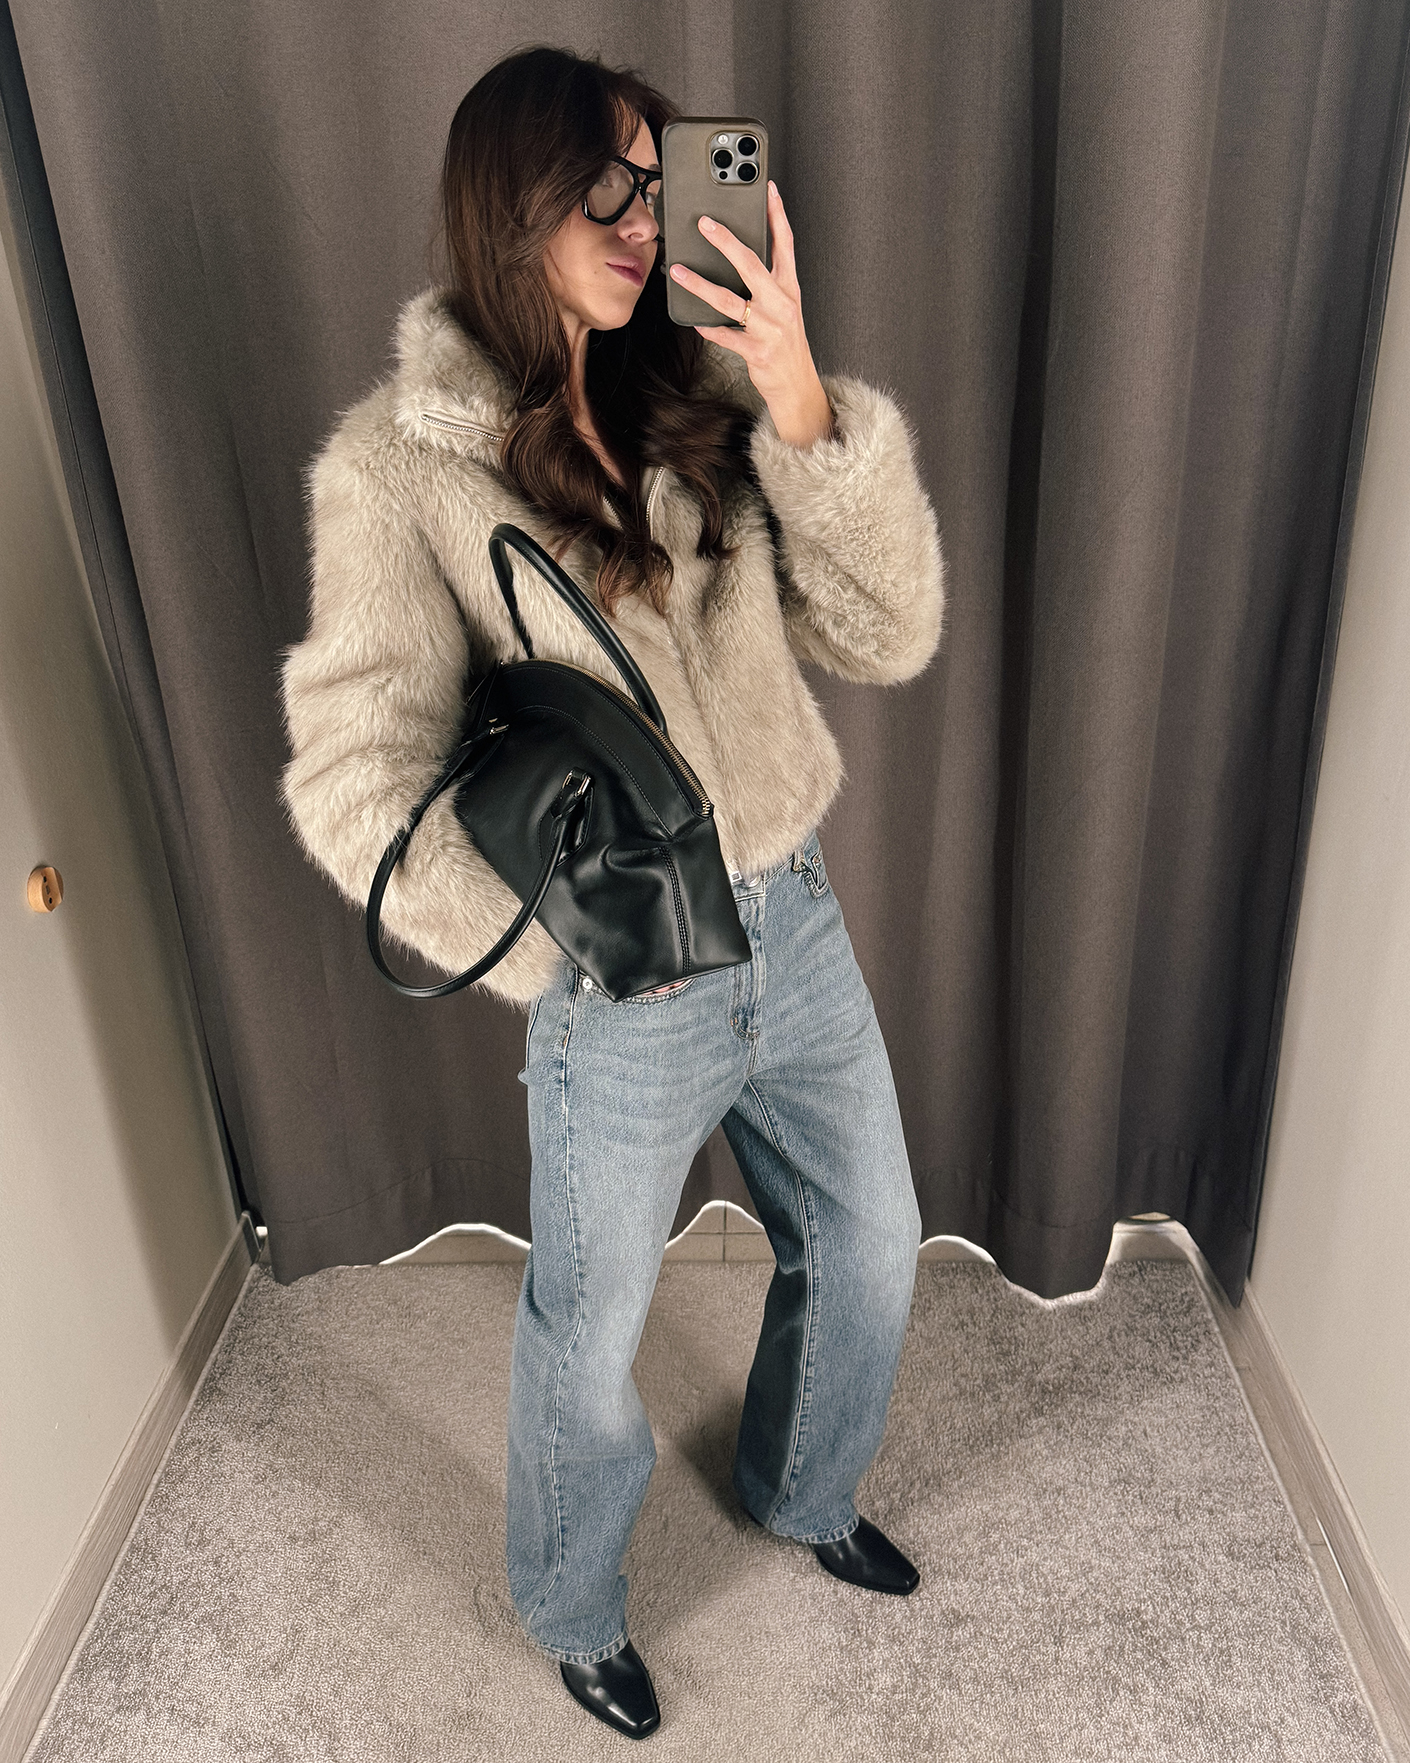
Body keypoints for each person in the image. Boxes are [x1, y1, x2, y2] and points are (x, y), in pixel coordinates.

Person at [280, 45, 945, 1742]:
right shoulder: (398, 469)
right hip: (626, 984)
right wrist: (557, 941)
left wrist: (797, 396)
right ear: (509, 208)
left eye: (657, 182)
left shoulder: (705, 391)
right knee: (588, 1334)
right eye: (604, 190)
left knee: (870, 1243)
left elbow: (886, 636)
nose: (644, 218)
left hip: (790, 916)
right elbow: (354, 773)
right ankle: (574, 1608)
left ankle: (801, 1490)